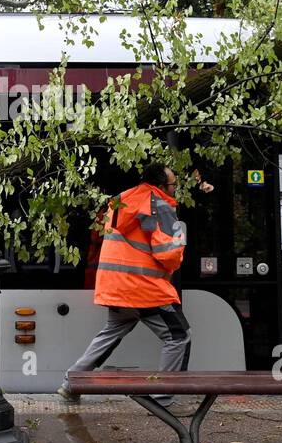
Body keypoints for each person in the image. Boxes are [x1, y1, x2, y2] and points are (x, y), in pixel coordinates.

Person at [59, 162, 209, 413]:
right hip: (143, 288)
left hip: (116, 286)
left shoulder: (123, 200)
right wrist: (180, 245)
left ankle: (70, 383)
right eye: (173, 184)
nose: (175, 189)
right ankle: (162, 399)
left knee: (110, 333)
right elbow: (168, 253)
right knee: (178, 336)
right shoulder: (159, 204)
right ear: (161, 186)